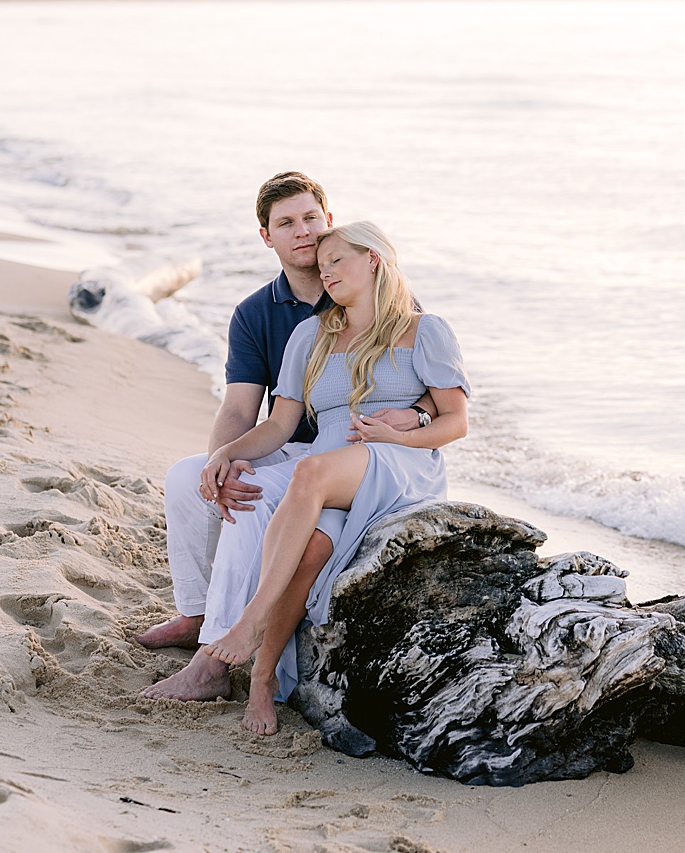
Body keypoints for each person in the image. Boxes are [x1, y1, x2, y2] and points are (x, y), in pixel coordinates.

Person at [149, 221, 470, 735]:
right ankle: (261, 679)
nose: (326, 272)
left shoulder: (423, 329)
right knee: (293, 527)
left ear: (373, 260)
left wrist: (403, 433)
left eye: (337, 261)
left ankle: (249, 621)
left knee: (311, 470)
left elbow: (457, 421)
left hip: (399, 467)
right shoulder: (311, 335)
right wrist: (224, 456)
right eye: (321, 266)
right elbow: (279, 425)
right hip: (327, 470)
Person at [136, 174, 432, 654]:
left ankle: (220, 645)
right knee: (187, 477)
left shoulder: (381, 293)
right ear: (266, 237)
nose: (303, 232)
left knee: (251, 495)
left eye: (311, 218)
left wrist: (413, 418)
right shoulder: (255, 313)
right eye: (286, 223)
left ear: (329, 220)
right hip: (288, 443)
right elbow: (239, 407)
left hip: (355, 456)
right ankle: (196, 614)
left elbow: (430, 389)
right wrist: (221, 462)